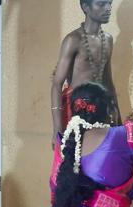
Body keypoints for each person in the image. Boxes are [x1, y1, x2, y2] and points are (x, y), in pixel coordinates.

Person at [51, 0, 121, 144]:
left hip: (101, 110)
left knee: (99, 159)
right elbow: (57, 84)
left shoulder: (107, 40)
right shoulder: (73, 40)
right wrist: (57, 129)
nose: (108, 8)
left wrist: (118, 121)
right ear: (85, 7)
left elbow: (108, 83)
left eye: (109, 3)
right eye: (101, 4)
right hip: (76, 111)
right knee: (74, 160)